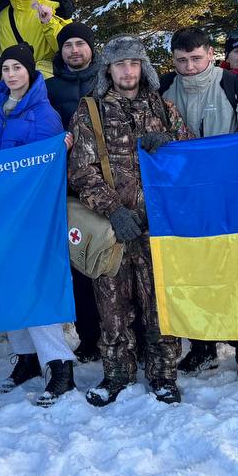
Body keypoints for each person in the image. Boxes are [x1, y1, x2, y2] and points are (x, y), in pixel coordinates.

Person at [68, 35, 191, 406]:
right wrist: (113, 210)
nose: (128, 70)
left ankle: (163, 374)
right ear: (109, 69)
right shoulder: (90, 111)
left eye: (134, 63)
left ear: (144, 68)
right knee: (112, 305)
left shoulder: (164, 108)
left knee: (159, 305)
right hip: (112, 228)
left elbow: (190, 158)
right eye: (120, 64)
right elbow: (81, 171)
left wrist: (169, 140)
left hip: (158, 225)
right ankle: (117, 373)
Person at [160, 27, 238, 378]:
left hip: (231, 194)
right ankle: (202, 345)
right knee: (194, 268)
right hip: (184, 194)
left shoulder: (232, 85)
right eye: (182, 60)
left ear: (210, 54)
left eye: (196, 59)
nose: (190, 67)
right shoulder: (165, 87)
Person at [0, 46, 77, 405]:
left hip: (29, 215)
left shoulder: (44, 115)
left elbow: (47, 171)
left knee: (32, 285)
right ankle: (26, 359)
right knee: (5, 284)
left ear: (30, 72)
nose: (11, 74)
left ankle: (60, 363)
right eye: (6, 68)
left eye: (18, 67)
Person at [45, 22, 103, 360]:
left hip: (107, 184)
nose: (74, 50)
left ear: (91, 48)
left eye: (80, 43)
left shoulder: (106, 82)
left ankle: (128, 334)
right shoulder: (48, 88)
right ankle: (89, 337)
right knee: (80, 262)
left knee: (112, 260)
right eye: (68, 45)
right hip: (67, 185)